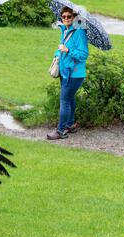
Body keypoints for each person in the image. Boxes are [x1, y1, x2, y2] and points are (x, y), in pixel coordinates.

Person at [47, 6, 89, 140]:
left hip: (75, 74)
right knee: (69, 99)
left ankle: (60, 131)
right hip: (65, 72)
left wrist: (67, 50)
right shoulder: (65, 30)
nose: (66, 19)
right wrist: (57, 54)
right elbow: (61, 48)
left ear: (74, 17)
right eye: (63, 16)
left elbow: (83, 55)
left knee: (64, 100)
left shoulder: (79, 32)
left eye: (69, 16)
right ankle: (70, 125)